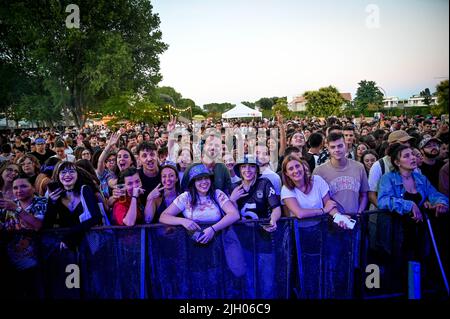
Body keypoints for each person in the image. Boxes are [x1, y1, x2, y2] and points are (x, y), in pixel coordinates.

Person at [159, 164, 239, 245]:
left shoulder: (217, 194)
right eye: (199, 179)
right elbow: (163, 217)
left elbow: (234, 214)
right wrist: (182, 221)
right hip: (192, 244)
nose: (204, 182)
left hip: (217, 242)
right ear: (193, 182)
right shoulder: (185, 197)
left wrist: (213, 229)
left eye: (206, 178)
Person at [0, 175, 47, 299]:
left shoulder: (41, 201)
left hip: (36, 263)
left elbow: (37, 225)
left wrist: (17, 209)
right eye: (15, 187)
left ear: (33, 188)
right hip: (11, 264)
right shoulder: (8, 205)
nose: (19, 190)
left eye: (23, 186)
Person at [43, 162, 103, 250]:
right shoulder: (55, 196)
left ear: (77, 175)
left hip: (88, 243)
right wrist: (52, 203)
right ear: (58, 176)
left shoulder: (85, 190)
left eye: (71, 171)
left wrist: (72, 235)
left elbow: (96, 217)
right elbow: (48, 224)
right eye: (63, 172)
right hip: (65, 246)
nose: (67, 175)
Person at [313, 132, 369, 216]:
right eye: (333, 147)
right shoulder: (319, 171)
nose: (337, 150)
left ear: (345, 146)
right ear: (327, 148)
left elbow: (364, 195)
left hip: (355, 220)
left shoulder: (359, 167)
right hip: (330, 222)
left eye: (340, 146)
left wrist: (359, 213)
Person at [281, 155, 343, 222]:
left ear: (303, 166)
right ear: (286, 173)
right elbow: (300, 214)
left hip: (320, 227)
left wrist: (340, 218)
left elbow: (329, 205)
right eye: (291, 169)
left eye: (297, 166)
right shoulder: (286, 189)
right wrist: (323, 210)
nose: (296, 171)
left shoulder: (317, 180)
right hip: (298, 230)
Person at [230, 155, 281, 230]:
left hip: (263, 230)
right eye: (243, 166)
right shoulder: (234, 187)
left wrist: (273, 220)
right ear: (239, 170)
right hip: (241, 232)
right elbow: (230, 214)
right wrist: (232, 200)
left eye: (252, 166)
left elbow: (276, 208)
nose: (247, 170)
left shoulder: (264, 183)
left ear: (257, 169)